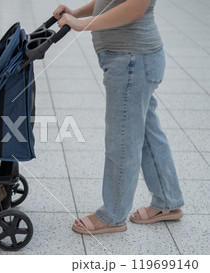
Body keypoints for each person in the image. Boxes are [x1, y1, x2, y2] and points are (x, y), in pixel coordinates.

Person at [53, 0, 184, 235]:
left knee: (122, 140)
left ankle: (113, 215)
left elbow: (135, 7)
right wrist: (78, 11)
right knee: (145, 133)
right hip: (131, 59)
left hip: (132, 59)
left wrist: (83, 24)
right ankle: (167, 201)